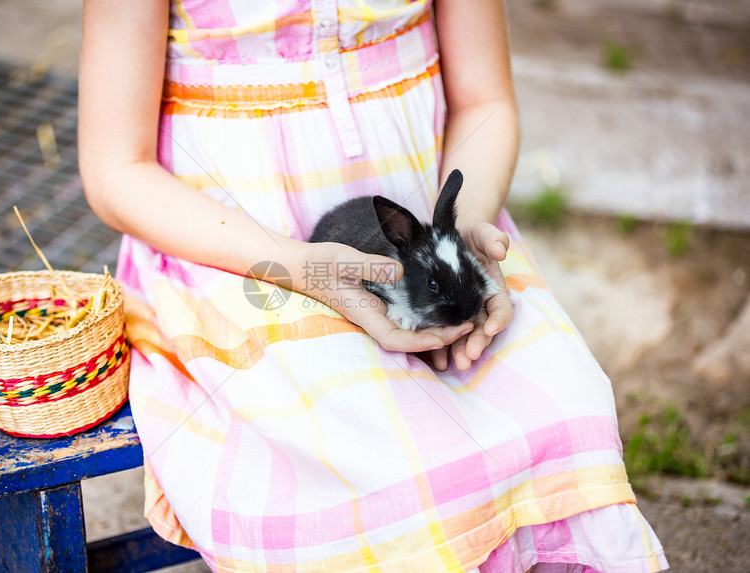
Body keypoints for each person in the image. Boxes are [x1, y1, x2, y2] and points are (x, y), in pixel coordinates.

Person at [78, 1, 668, 571]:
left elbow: (486, 101)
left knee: (565, 411)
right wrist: (295, 265)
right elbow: (115, 169)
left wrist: (457, 235)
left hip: (427, 221)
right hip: (239, 252)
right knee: (386, 466)